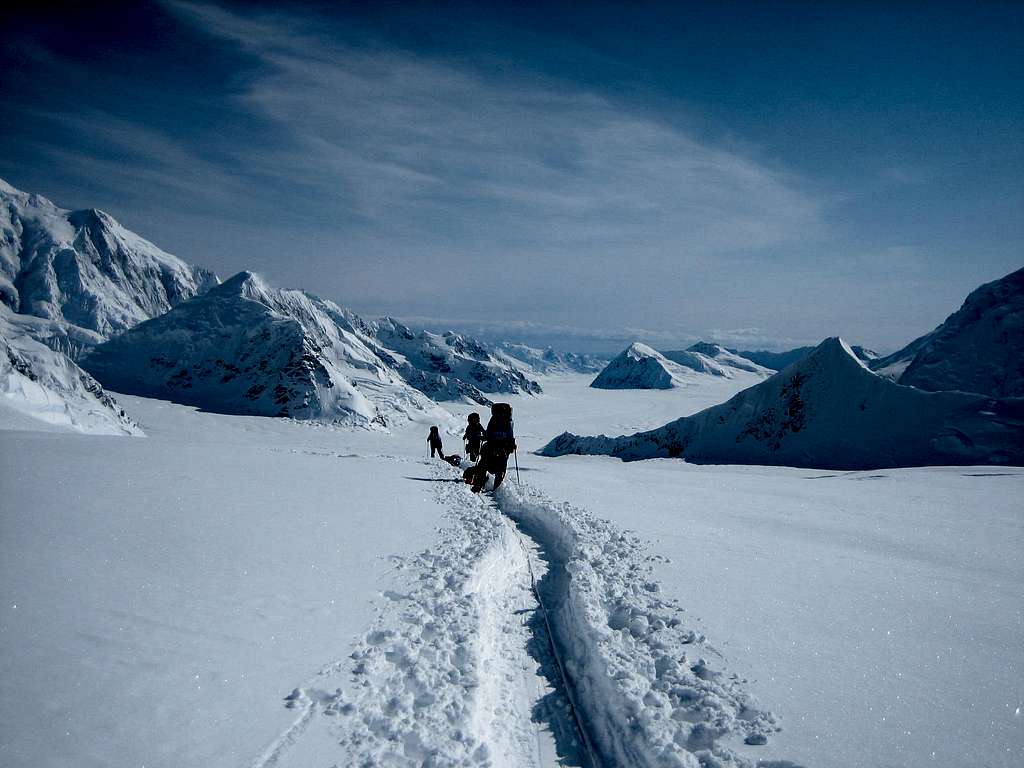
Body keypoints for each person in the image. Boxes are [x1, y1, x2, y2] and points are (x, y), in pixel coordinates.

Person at [470, 403, 516, 493]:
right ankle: (497, 489)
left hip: (491, 446)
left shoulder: (493, 420)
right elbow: (510, 436)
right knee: (501, 468)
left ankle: (478, 484)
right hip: (504, 448)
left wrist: (484, 437)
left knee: (483, 464)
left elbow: (488, 434)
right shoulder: (509, 421)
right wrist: (512, 445)